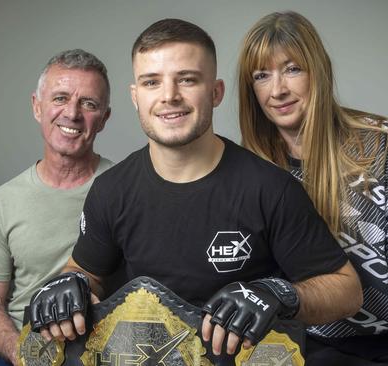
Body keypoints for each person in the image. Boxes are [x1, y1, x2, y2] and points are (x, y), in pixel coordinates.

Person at [28, 18, 362, 357]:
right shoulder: (111, 191)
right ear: (135, 96)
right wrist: (71, 282)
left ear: (215, 92)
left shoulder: (270, 189)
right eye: (152, 82)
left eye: (187, 80)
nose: (169, 96)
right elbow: (86, 270)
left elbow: (347, 290)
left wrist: (280, 294)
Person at [237, 11, 388, 365]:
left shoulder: (380, 145)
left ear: (317, 71)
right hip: (307, 342)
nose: (277, 90)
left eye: (292, 69)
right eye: (262, 76)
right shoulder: (254, 168)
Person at [0, 49, 113, 366]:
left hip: (92, 344)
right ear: (37, 106)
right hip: (18, 342)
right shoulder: (5, 198)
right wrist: (22, 356)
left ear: (104, 118)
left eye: (89, 104)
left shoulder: (123, 188)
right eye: (60, 98)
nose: (72, 113)